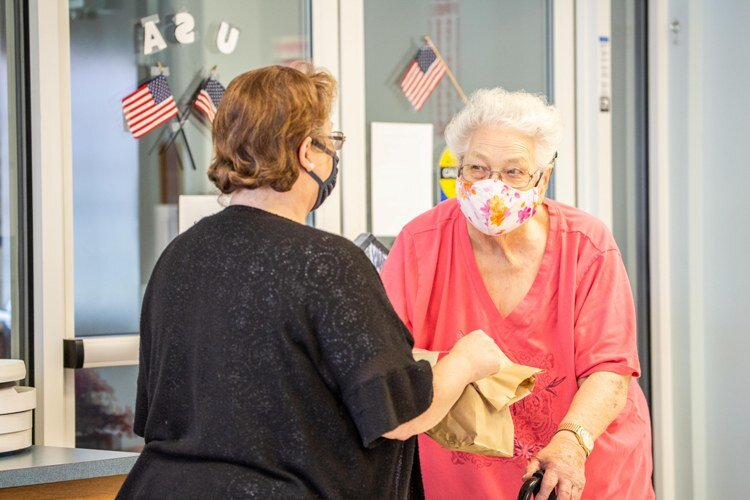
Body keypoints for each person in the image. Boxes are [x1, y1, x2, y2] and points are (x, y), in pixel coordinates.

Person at [117, 64, 504, 499]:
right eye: (331, 141)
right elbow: (400, 416)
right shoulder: (328, 262)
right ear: (307, 152)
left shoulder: (178, 256)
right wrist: (466, 361)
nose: (332, 155)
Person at [380, 87, 654, 500]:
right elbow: (385, 364)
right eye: (477, 168)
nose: (493, 186)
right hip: (469, 483)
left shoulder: (586, 245)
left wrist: (571, 442)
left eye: (513, 172)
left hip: (585, 472)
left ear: (543, 178)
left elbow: (611, 370)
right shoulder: (421, 244)